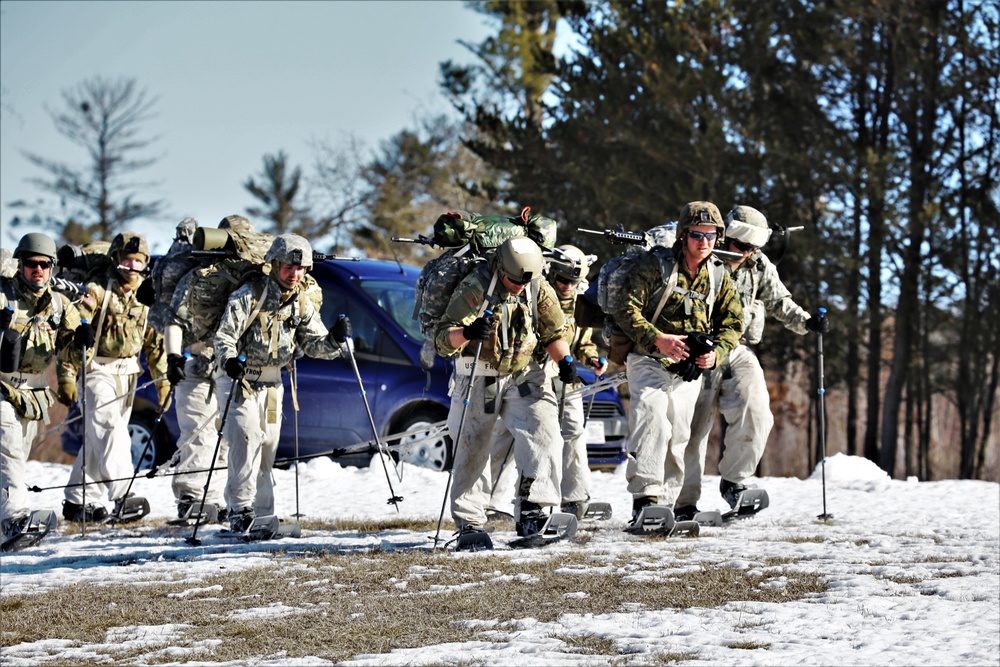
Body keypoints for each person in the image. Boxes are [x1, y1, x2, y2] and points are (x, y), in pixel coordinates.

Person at [676, 205, 828, 519]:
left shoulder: (758, 264)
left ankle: (735, 482)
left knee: (757, 411)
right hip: (697, 349)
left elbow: (778, 300)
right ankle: (683, 502)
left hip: (737, 348)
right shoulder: (698, 256)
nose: (746, 253)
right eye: (740, 245)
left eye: (752, 248)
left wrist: (807, 322)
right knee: (692, 428)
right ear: (725, 236)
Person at [435, 236, 576, 545]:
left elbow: (553, 330)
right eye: (514, 281)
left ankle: (533, 511)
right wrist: (468, 333)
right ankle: (470, 523)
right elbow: (442, 339)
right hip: (482, 376)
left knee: (544, 433)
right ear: (501, 269)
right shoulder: (476, 287)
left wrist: (564, 360)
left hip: (525, 373)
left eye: (525, 282)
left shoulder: (536, 285)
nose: (519, 287)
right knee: (474, 444)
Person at [612, 201, 743, 525]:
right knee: (651, 421)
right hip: (648, 359)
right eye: (697, 235)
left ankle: (665, 507)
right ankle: (645, 500)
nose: (705, 242)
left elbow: (733, 321)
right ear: (684, 235)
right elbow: (626, 308)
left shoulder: (717, 275)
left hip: (689, 370)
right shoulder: (654, 266)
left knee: (679, 435)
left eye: (711, 236)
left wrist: (717, 352)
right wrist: (659, 338)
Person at [213, 233, 348, 533]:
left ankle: (262, 513)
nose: (294, 273)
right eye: (288, 265)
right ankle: (240, 509)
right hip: (240, 380)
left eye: (301, 268)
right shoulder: (250, 295)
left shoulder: (301, 302)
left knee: (268, 446)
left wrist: (335, 339)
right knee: (246, 439)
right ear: (273, 263)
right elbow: (224, 337)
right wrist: (230, 360)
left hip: (274, 384)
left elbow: (315, 345)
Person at [485, 245, 607, 521]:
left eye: (573, 281)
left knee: (573, 432)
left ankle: (575, 496)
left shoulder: (581, 303)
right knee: (514, 437)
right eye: (562, 279)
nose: (567, 285)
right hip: (531, 372)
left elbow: (582, 342)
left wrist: (591, 358)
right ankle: (489, 501)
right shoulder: (537, 292)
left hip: (565, 373)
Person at [58, 231, 168, 523]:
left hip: (128, 373)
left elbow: (154, 341)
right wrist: (66, 376)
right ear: (116, 259)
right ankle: (124, 494)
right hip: (96, 370)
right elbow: (74, 334)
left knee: (101, 435)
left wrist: (163, 381)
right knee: (110, 429)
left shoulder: (145, 292)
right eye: (127, 260)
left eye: (138, 262)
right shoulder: (97, 289)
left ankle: (78, 500)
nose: (132, 267)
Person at [0, 233, 82, 544]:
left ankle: (4, 530)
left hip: (32, 394)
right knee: (7, 448)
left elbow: (72, 352)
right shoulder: (3, 297)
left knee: (14, 459)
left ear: (52, 267)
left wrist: (82, 341)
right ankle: (15, 519)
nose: (38, 270)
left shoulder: (59, 304)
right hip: (2, 389)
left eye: (45, 264)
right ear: (20, 264)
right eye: (31, 263)